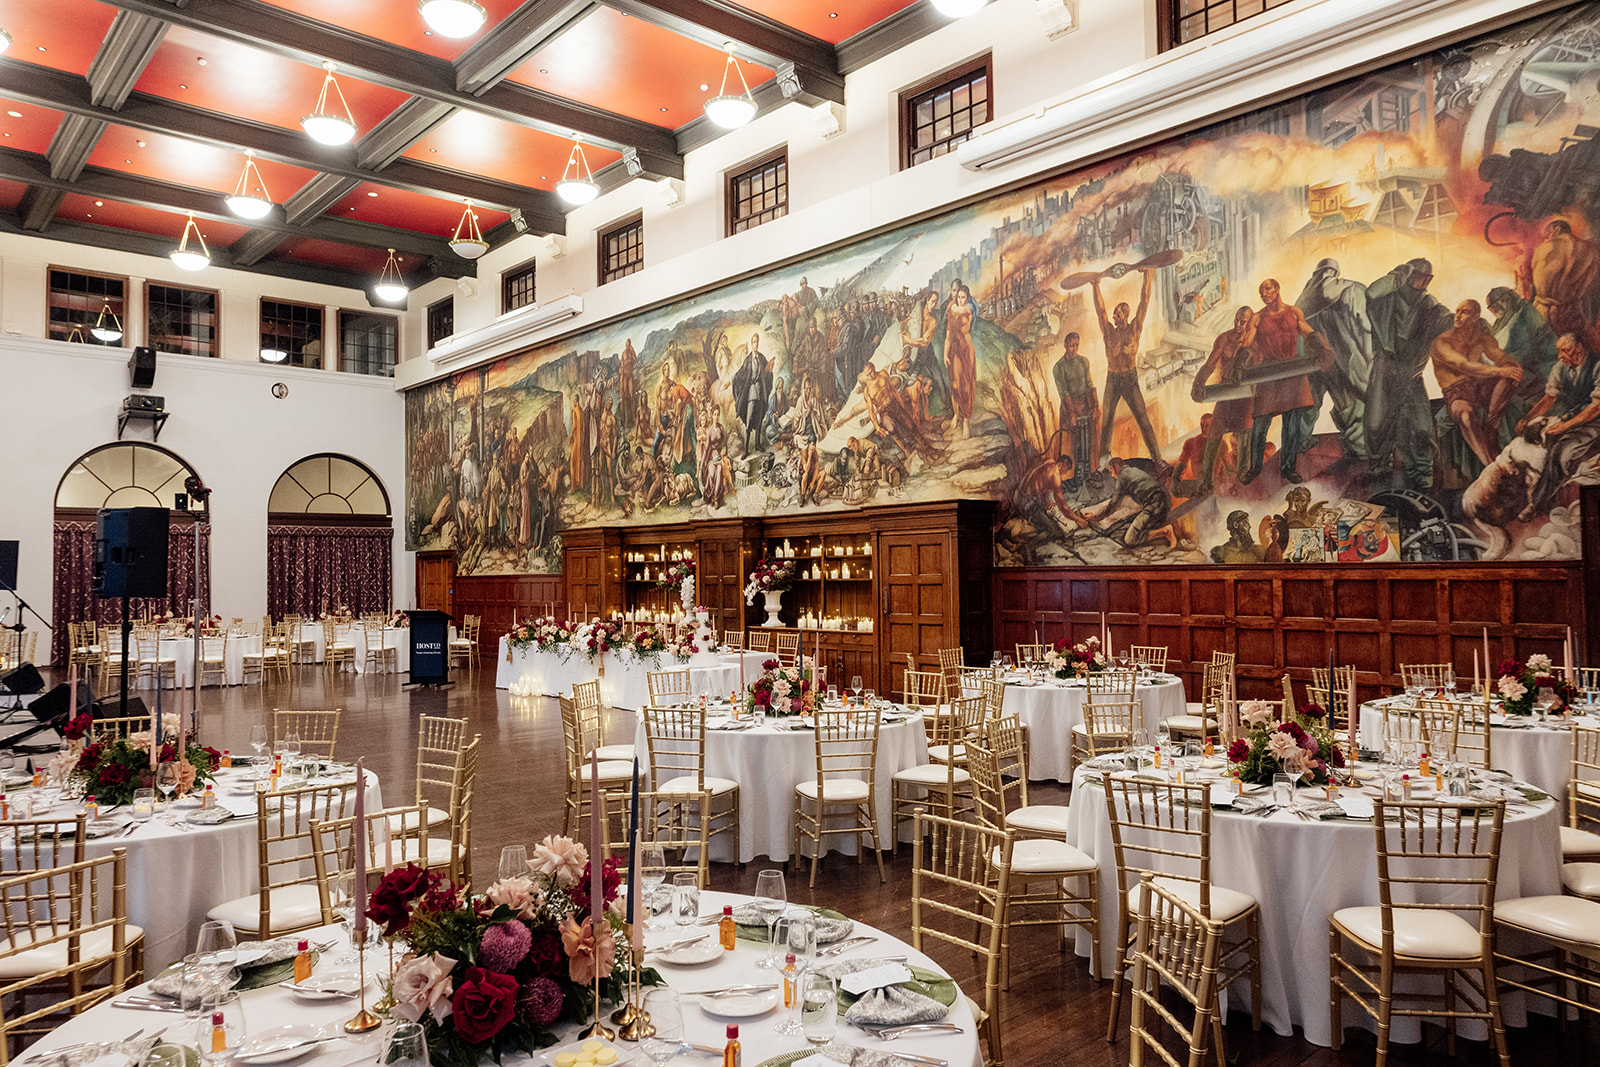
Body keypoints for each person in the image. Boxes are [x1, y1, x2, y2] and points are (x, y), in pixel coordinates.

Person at [1364, 258, 1453, 487]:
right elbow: (1372, 293)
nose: (1421, 282)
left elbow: (1451, 326)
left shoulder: (1432, 307)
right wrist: (1398, 274)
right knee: (1376, 423)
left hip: (1412, 374)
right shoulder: (1387, 300)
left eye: (1426, 278)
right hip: (1384, 368)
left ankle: (1423, 474)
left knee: (1422, 427)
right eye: (1416, 276)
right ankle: (1379, 468)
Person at [1243, 279, 1328, 485]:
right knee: (1260, 424)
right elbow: (1247, 343)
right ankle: (1254, 468)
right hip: (1270, 373)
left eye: (1268, 288)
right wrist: (1239, 362)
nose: (1264, 293)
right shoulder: (1257, 318)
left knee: (1292, 425)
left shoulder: (1294, 312)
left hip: (1292, 372)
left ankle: (1288, 468)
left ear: (1277, 288)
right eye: (1261, 291)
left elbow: (1307, 332)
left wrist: (1321, 349)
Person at [1295, 258, 1373, 462]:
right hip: (1340, 360)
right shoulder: (1351, 289)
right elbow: (1365, 326)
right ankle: (1359, 449)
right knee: (1348, 402)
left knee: (1309, 403)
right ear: (1335, 273)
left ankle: (1299, 442)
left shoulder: (1301, 301)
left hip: (1313, 362)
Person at [1428, 300, 1523, 467]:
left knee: (1509, 374)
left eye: (1464, 312)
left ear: (1475, 317)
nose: (1458, 316)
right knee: (1465, 413)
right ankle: (1490, 464)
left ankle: (1491, 426)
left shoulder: (1481, 338)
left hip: (1480, 385)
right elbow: (1463, 365)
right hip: (1456, 391)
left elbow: (1500, 356)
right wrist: (1500, 371)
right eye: (1457, 311)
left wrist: (1512, 365)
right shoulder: (1442, 342)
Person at [1518, 333, 1600, 515]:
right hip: (1574, 418)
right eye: (1559, 351)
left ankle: (1539, 505)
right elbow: (1548, 399)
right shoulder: (1560, 367)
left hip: (1596, 423)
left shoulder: (1597, 366)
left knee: (1562, 452)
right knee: (1544, 442)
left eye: (1565, 350)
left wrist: (1566, 425)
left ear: (1579, 348)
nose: (1560, 355)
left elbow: (1596, 407)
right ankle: (1537, 499)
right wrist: (1528, 418)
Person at [1090, 267, 1163, 467]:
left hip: (1130, 379)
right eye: (1114, 314)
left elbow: (1144, 301)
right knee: (1107, 422)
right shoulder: (1108, 331)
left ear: (1125, 315)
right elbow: (1100, 310)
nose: (1113, 316)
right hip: (1113, 378)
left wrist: (1147, 274)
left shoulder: (1134, 329)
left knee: (1142, 418)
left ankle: (1158, 460)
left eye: (1117, 314)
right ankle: (1103, 466)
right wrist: (1096, 285)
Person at [1187, 306, 1258, 495]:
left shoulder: (1254, 339)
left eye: (1243, 321)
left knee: (1245, 433)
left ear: (1250, 322)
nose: (1238, 324)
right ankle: (1206, 480)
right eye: (1236, 320)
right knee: (1215, 433)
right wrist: (1199, 381)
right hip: (1226, 392)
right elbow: (1210, 363)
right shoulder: (1225, 339)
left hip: (1246, 394)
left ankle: (1243, 476)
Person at [1071, 456, 1172, 548]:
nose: (1112, 475)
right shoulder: (1133, 470)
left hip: (1156, 503)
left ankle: (1166, 531)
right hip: (1163, 500)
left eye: (1111, 471)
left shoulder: (1122, 477)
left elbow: (1113, 504)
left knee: (1130, 539)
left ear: (1116, 467)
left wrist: (1096, 517)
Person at [1529, 218, 1599, 344]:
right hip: (1571, 309)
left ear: (1557, 229)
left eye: (1548, 234)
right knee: (1575, 346)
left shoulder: (1543, 248)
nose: (1546, 239)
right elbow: (1588, 280)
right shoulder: (1590, 250)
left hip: (1542, 311)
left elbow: (1537, 280)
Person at [1051, 331, 1099, 477]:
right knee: (1074, 442)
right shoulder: (1059, 367)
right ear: (1065, 346)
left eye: (1077, 345)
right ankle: (1075, 474)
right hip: (1069, 408)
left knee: (1088, 441)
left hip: (1085, 406)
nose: (1074, 349)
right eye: (1071, 346)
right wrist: (1072, 414)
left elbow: (1090, 384)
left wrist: (1095, 407)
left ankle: (1089, 473)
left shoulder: (1083, 361)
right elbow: (1064, 393)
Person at [944, 281, 978, 439]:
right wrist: (945, 354)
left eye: (963, 297)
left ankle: (966, 420)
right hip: (954, 350)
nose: (960, 300)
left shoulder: (968, 308)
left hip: (966, 348)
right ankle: (956, 415)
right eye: (958, 297)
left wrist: (953, 306)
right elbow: (948, 334)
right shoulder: (952, 311)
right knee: (955, 384)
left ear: (967, 298)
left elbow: (961, 309)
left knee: (966, 385)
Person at [731, 331, 772, 456]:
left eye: (757, 342)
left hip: (760, 393)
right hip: (750, 395)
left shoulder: (762, 358)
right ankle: (746, 450)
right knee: (749, 421)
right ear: (751, 344)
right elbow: (740, 373)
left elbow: (767, 373)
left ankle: (757, 445)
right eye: (754, 342)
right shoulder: (748, 360)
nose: (756, 344)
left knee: (759, 419)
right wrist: (732, 380)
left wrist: (770, 369)